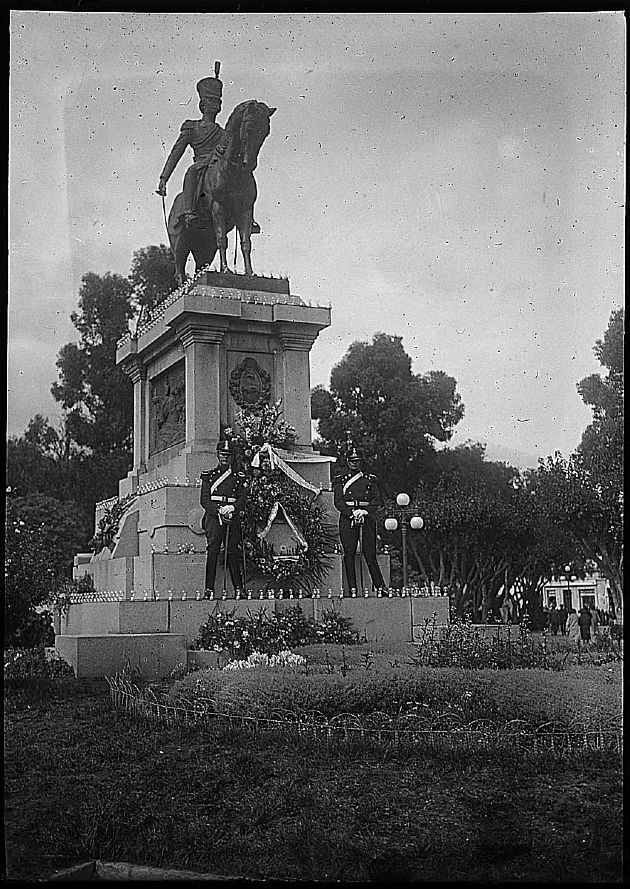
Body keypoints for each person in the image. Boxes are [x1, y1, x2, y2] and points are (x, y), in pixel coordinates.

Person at [333, 445, 386, 595]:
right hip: (348, 518)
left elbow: (376, 500)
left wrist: (365, 511)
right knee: (349, 553)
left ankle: (380, 587)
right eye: (352, 461)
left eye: (357, 461)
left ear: (361, 462)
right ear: (347, 462)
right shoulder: (341, 480)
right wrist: (352, 513)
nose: (354, 463)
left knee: (370, 553)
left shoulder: (370, 480)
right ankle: (353, 589)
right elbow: (338, 502)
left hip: (366, 517)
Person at [200, 440, 247, 597]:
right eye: (222, 454)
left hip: (232, 516)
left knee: (232, 551)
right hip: (214, 518)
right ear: (218, 455)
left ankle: (239, 589)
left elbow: (242, 498)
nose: (225, 457)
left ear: (232, 457)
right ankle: (209, 589)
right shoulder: (209, 476)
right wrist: (218, 510)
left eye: (228, 455)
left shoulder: (238, 477)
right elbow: (204, 500)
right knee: (213, 551)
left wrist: (232, 508)